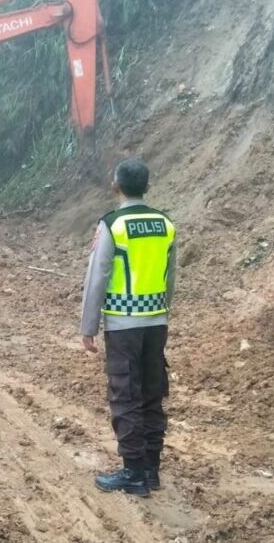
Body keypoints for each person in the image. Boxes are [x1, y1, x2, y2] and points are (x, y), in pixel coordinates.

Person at [80, 158, 176, 497]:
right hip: (157, 320)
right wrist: (163, 312)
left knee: (125, 395)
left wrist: (88, 325)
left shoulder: (112, 225)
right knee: (152, 393)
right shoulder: (165, 223)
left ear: (116, 186)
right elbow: (170, 276)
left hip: (123, 325)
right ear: (147, 187)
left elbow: (97, 277)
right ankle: (150, 469)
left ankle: (133, 472)